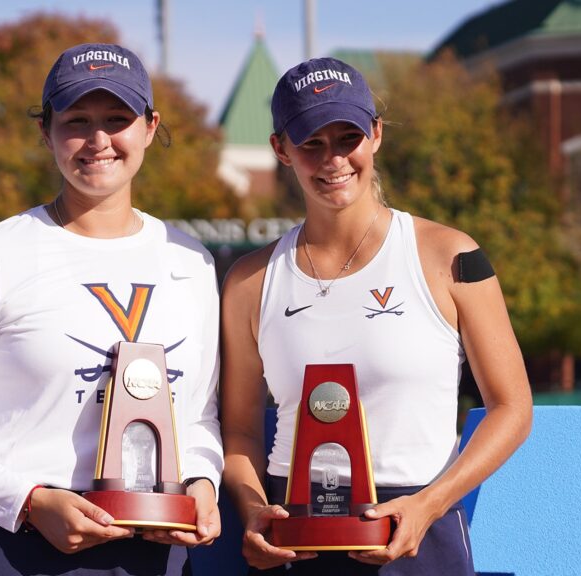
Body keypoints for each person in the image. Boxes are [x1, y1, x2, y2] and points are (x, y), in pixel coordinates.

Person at [0, 42, 223, 576]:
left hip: (157, 548)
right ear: (46, 132)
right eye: (77, 120)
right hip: (21, 547)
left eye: (117, 119)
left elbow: (196, 416)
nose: (99, 140)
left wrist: (202, 482)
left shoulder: (190, 261)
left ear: (150, 127)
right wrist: (27, 501)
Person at [219, 57, 533, 575]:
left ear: (376, 135)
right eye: (311, 143)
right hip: (294, 536)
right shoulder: (250, 280)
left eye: (348, 138)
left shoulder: (449, 256)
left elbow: (513, 407)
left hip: (417, 527)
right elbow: (241, 431)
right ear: (280, 149)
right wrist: (254, 509)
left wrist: (430, 504)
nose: (333, 159)